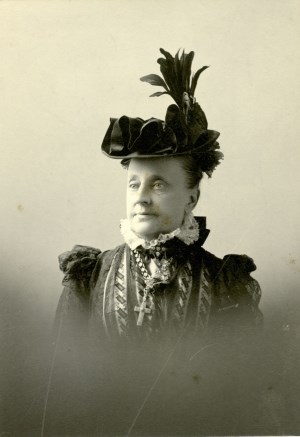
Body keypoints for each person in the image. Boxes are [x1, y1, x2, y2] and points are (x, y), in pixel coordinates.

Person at [55, 48, 262, 344]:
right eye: (133, 184)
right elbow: (63, 369)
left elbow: (243, 373)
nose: (141, 198)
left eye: (159, 185)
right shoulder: (89, 275)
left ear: (192, 198)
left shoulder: (224, 280)